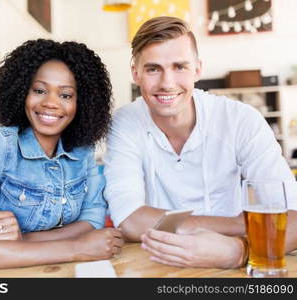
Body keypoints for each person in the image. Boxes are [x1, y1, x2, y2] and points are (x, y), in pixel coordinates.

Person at [104, 16, 297, 269]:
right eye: (153, 69)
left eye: (180, 67)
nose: (167, 83)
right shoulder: (124, 122)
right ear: (135, 73)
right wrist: (243, 225)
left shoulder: (241, 119)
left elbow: (292, 218)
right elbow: (129, 220)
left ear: (197, 69)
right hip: (157, 263)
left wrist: (238, 251)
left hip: (232, 264)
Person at [0, 39, 123, 269]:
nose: (50, 103)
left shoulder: (82, 150)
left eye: (66, 95)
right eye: (39, 90)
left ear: (82, 103)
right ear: (21, 93)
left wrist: (23, 240)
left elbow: (93, 221)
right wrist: (75, 248)